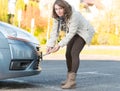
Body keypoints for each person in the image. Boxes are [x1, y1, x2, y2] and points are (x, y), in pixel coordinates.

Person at [46, 0, 95, 89]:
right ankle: (69, 78)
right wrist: (50, 45)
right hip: (74, 32)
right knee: (67, 54)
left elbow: (71, 33)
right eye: (56, 9)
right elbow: (54, 32)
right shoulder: (57, 17)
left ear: (65, 7)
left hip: (84, 32)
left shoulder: (74, 15)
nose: (58, 11)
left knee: (74, 52)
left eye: (61, 8)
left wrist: (59, 45)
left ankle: (72, 81)